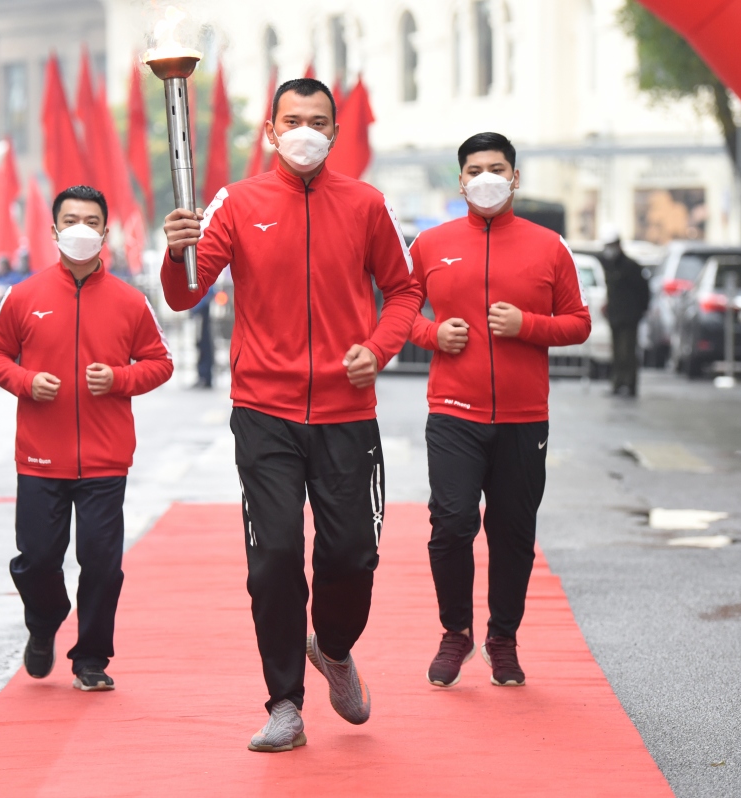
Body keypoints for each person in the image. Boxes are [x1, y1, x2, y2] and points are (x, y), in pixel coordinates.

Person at [162, 78, 422, 752]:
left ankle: (332, 647)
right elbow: (188, 291)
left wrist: (378, 348)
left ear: (333, 132)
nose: (304, 130)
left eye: (317, 120)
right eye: (291, 119)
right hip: (264, 411)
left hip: (346, 412)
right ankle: (284, 703)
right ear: (271, 131)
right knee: (274, 555)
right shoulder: (239, 203)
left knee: (352, 556)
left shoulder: (366, 204)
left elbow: (404, 289)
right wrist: (175, 250)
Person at [407, 133, 590, 690]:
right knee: (452, 522)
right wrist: (435, 334)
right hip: (453, 411)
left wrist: (528, 326)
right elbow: (400, 315)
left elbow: (578, 323)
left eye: (497, 168)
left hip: (523, 416)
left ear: (515, 178)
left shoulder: (548, 246)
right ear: (460, 181)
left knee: (513, 531)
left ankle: (502, 639)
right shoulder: (431, 245)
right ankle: (455, 631)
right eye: (474, 169)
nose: (485, 177)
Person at [0, 185, 173, 691]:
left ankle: (91, 659)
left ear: (105, 233)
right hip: (41, 457)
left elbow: (161, 363)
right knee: (38, 559)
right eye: (71, 220)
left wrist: (119, 379)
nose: (81, 229)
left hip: (106, 459)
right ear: (54, 230)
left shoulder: (131, 302)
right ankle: (44, 624)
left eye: (91, 221)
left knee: (103, 565)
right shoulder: (24, 296)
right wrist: (25, 381)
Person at [601, 228, 651, 397]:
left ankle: (629, 384)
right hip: (615, 316)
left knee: (627, 352)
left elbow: (643, 291)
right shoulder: (610, 266)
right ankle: (618, 383)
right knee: (617, 353)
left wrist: (641, 310)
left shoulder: (631, 266)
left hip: (629, 316)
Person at [191, 290, 214, 388]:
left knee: (204, 345)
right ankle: (203, 375)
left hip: (201, 310)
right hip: (200, 309)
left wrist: (195, 308)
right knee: (201, 344)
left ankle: (205, 376)